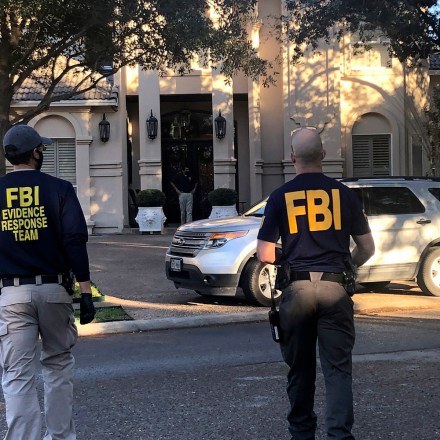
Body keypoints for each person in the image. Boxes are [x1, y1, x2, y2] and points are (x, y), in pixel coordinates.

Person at [257, 128, 375, 440]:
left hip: (296, 291)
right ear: (323, 156)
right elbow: (367, 248)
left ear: (292, 157)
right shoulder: (344, 194)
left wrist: (290, 258)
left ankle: (302, 433)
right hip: (336, 289)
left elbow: (265, 253)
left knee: (300, 369)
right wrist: (346, 264)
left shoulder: (280, 197)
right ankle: (339, 435)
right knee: (337, 369)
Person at [0, 124, 96, 440]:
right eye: (41, 148)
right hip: (54, 290)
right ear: (35, 153)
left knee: (16, 375)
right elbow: (74, 241)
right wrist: (85, 291)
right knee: (57, 365)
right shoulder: (60, 189)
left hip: (12, 293)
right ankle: (59, 437)